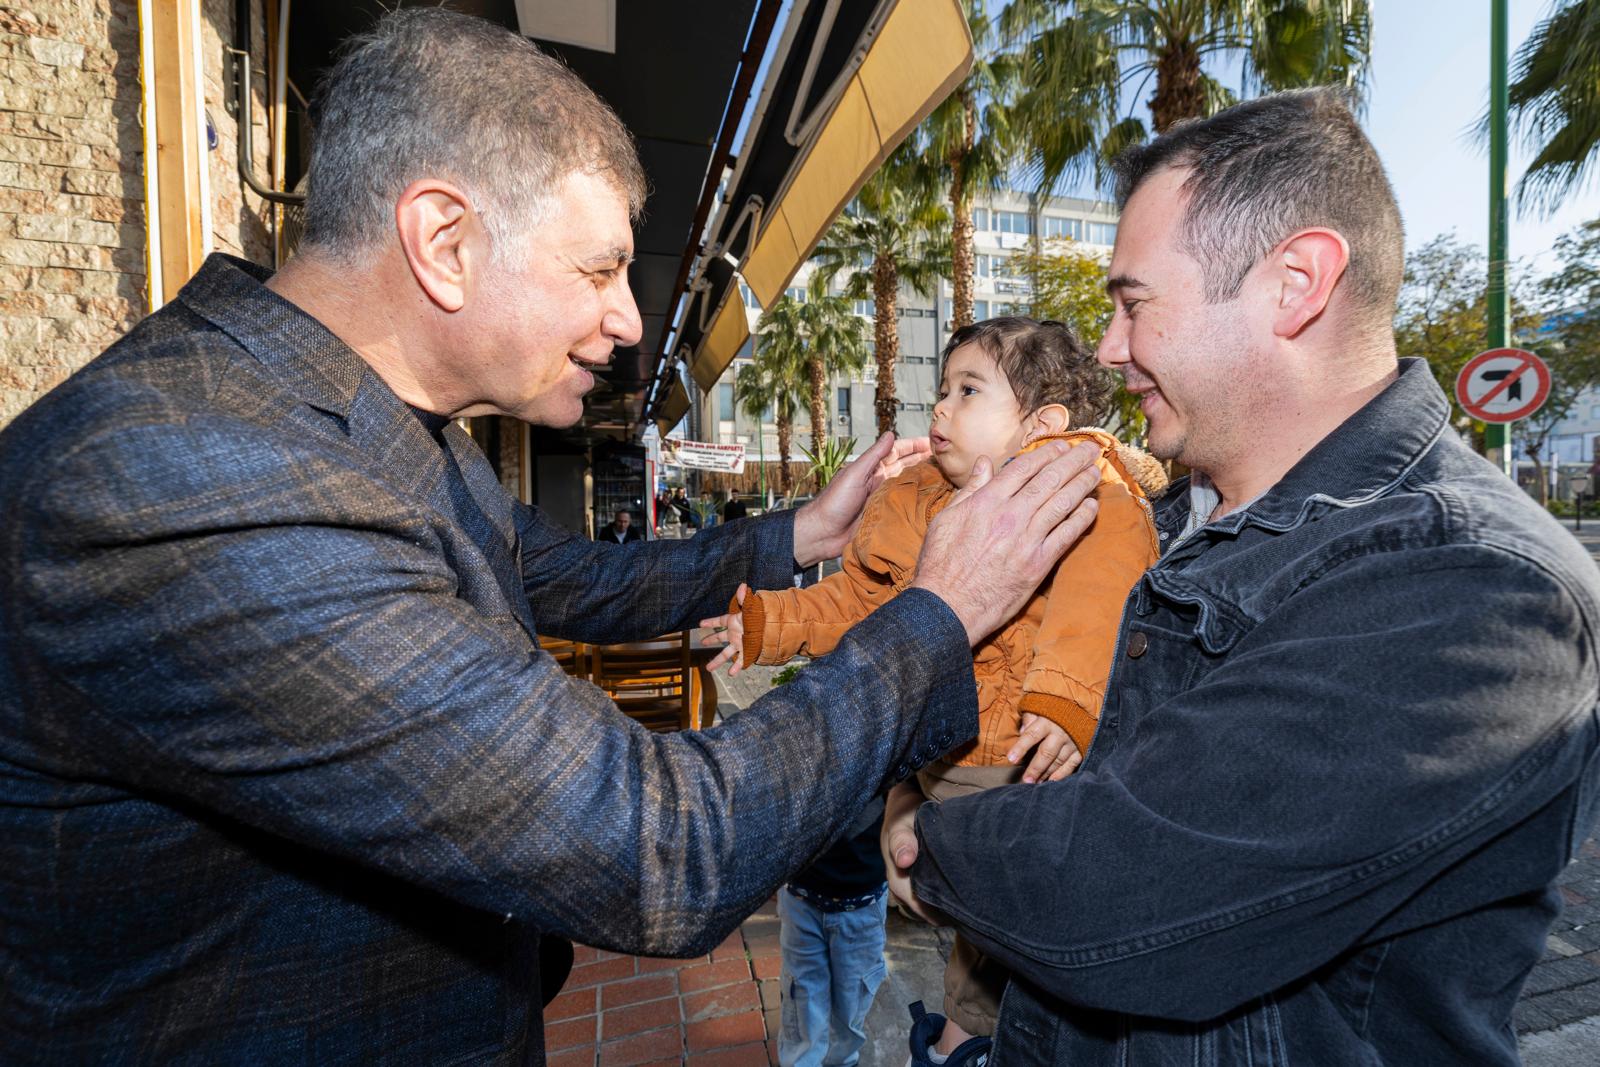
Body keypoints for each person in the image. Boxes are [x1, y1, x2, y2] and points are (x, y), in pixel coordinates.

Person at [0, 10, 1108, 1063]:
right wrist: (941, 611)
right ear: (444, 240)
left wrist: (798, 533)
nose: (628, 317)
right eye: (599, 268)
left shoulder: (371, 424)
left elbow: (566, 575)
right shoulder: (201, 475)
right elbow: (662, 844)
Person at [884, 89, 1600, 1066]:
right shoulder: (1168, 513)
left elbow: (1115, 887)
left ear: (1294, 284)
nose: (1108, 348)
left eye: (1134, 304)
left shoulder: (1478, 581)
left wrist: (924, 835)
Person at [704, 317, 1165, 1063]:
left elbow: (1098, 594)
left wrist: (1064, 700)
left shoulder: (1081, 485)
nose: (941, 406)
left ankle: (963, 1041)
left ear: (1042, 424)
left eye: (969, 390)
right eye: (943, 390)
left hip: (1016, 761)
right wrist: (769, 622)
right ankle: (964, 1038)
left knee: (1004, 942)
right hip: (933, 756)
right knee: (981, 939)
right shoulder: (913, 496)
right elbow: (858, 598)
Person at [776, 793, 889, 1067]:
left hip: (863, 903)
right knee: (803, 998)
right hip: (800, 896)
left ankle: (843, 1062)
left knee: (851, 1004)